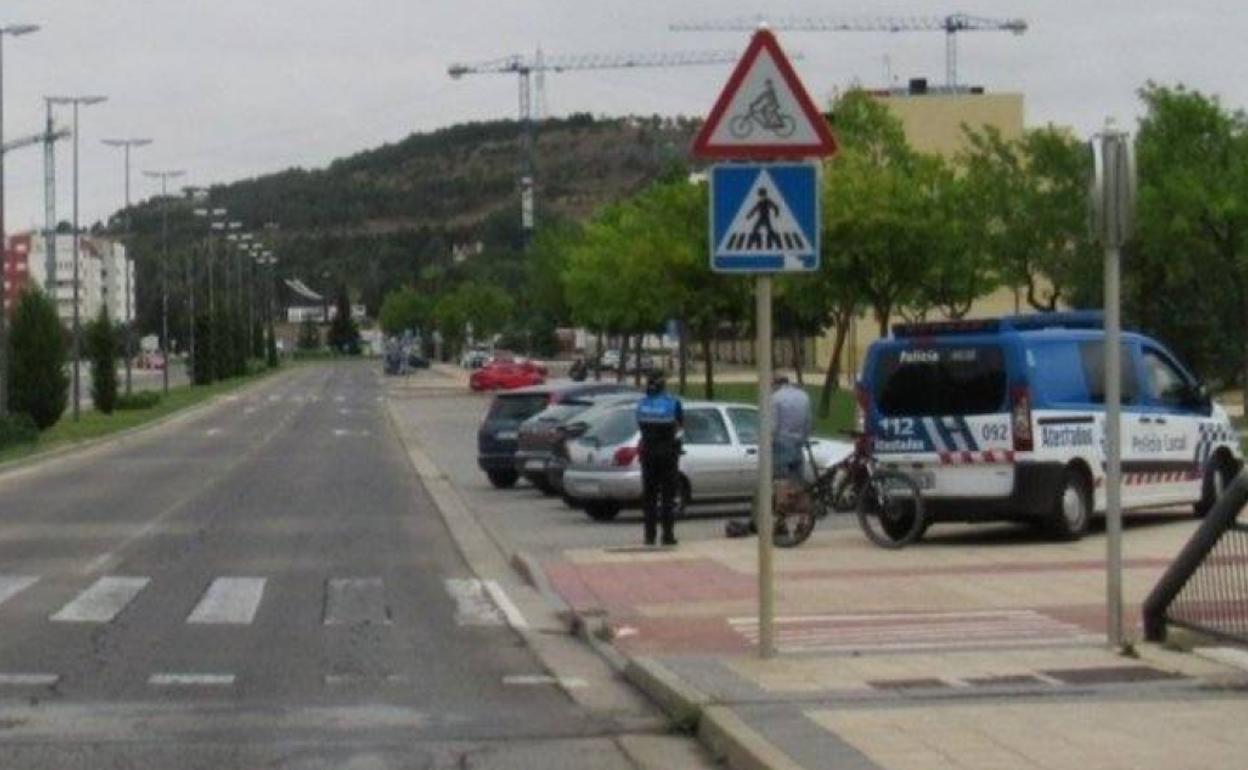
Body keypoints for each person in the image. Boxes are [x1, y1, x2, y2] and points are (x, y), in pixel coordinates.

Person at [636, 370, 683, 546]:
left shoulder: (641, 405)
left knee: (649, 498)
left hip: (647, 455)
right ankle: (668, 535)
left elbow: (640, 427)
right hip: (668, 455)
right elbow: (680, 428)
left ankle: (649, 536)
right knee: (667, 497)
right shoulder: (672, 404)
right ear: (663, 385)